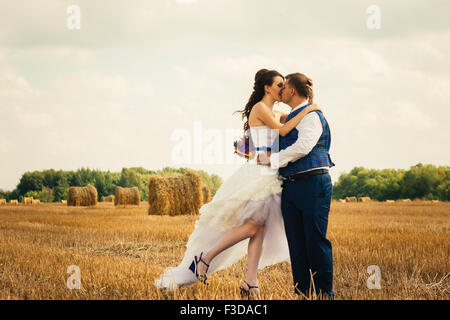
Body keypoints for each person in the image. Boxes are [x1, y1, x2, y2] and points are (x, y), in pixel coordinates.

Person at [154, 69, 321, 298]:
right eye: (279, 84)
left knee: (259, 229)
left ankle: (250, 282)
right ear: (267, 88)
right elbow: (283, 129)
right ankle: (206, 256)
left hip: (269, 171)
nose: (282, 88)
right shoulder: (261, 108)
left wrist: (305, 106)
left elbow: (289, 119)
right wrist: (311, 108)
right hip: (259, 173)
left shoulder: (273, 110)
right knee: (253, 226)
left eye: (285, 85)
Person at [258, 72, 335, 299]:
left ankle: (323, 293)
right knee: (296, 242)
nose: (280, 91)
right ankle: (302, 292)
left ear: (292, 90)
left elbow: (303, 147)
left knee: (315, 239)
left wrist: (273, 160)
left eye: (284, 87)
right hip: (290, 186)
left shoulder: (311, 115)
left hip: (313, 183)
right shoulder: (294, 115)